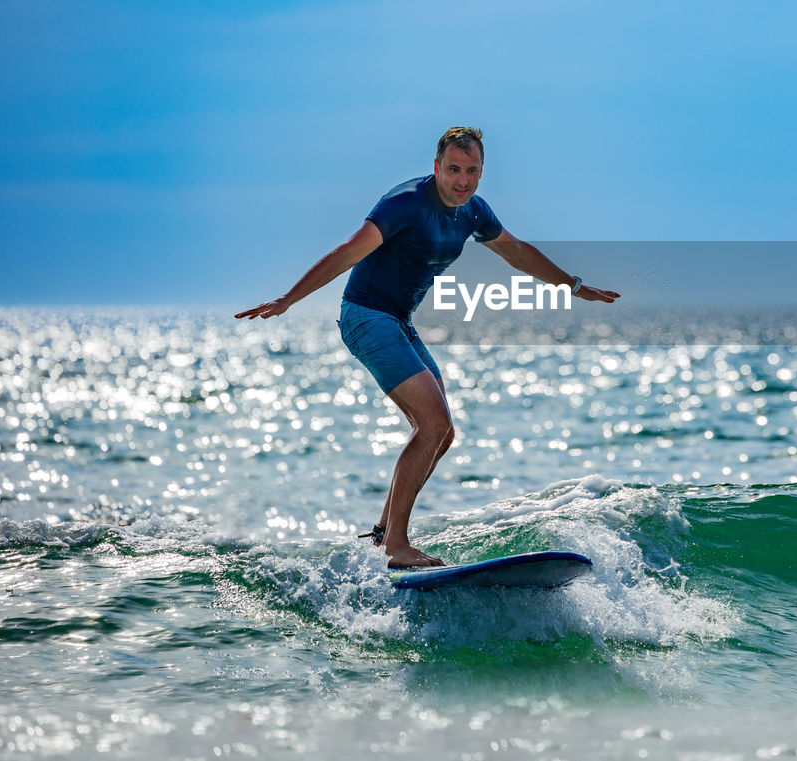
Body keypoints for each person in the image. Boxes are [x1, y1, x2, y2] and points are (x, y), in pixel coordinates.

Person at [235, 127, 619, 568]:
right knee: (433, 424)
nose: (463, 181)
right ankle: (397, 546)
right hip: (366, 317)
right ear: (437, 167)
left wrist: (572, 285)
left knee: (443, 432)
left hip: (399, 321)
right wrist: (289, 299)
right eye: (454, 170)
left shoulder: (473, 212)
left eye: (472, 171)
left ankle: (382, 534)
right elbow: (348, 253)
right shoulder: (406, 204)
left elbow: (516, 252)